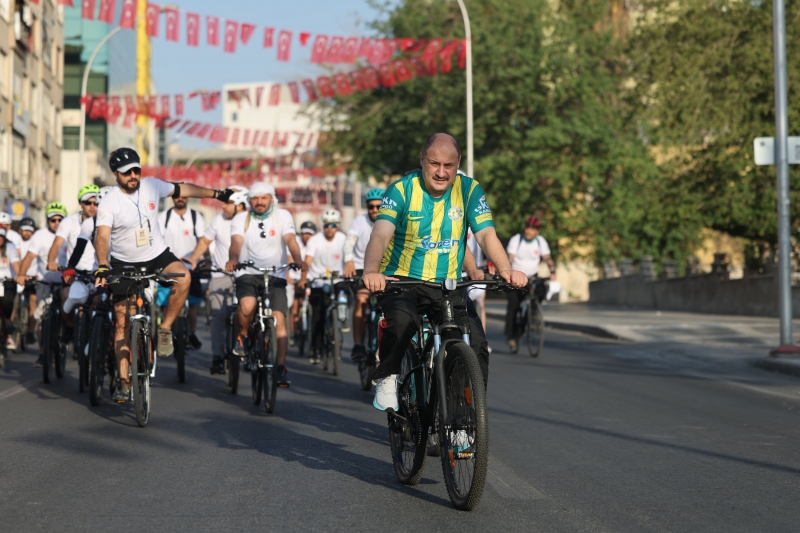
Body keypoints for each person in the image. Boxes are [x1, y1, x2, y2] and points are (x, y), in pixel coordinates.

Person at [361, 133, 527, 411]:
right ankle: (388, 375)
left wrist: (507, 270)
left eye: (448, 165)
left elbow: (486, 234)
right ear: (422, 160)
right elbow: (380, 234)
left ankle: (465, 419)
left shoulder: (469, 190)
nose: (441, 172)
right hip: (402, 280)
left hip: (447, 284)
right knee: (402, 322)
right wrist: (371, 271)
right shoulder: (401, 190)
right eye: (434, 163)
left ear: (458, 162)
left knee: (476, 346)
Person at [94, 147, 234, 403]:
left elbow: (184, 189)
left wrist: (217, 194)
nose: (133, 176)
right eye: (127, 173)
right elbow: (101, 236)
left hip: (157, 255)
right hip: (123, 263)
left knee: (184, 276)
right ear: (116, 175)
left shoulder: (151, 186)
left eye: (136, 170)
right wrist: (103, 264)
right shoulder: (108, 202)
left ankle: (166, 328)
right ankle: (124, 381)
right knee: (122, 324)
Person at [225, 182, 306, 386]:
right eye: (255, 198)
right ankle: (242, 337)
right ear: (250, 200)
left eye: (264, 197)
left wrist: (297, 258)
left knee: (279, 318)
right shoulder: (241, 218)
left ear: (271, 198)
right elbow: (236, 242)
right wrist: (233, 258)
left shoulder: (283, 216)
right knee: (248, 305)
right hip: (248, 272)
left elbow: (290, 239)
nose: (259, 202)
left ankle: (280, 367)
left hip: (275, 273)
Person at [185, 186, 248, 375]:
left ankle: (251, 349)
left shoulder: (251, 221)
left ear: (240, 205)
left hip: (246, 276)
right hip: (220, 275)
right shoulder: (218, 221)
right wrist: (193, 260)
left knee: (249, 313)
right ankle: (218, 357)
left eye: (228, 203)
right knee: (219, 317)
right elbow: (204, 242)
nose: (223, 207)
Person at [15, 202, 68, 368]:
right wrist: (21, 274)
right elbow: (29, 257)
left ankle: (66, 338)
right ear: (47, 220)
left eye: (60, 220)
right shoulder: (40, 236)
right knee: (42, 318)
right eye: (53, 220)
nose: (57, 223)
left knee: (67, 313)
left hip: (65, 282)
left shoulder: (70, 234)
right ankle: (42, 353)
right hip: (45, 282)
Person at [46, 184, 100, 343]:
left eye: (96, 203)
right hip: (75, 272)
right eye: (88, 202)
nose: (92, 206)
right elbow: (57, 244)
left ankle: (97, 336)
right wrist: (51, 261)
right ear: (81, 204)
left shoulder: (104, 221)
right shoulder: (69, 222)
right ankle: (69, 327)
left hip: (97, 272)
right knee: (65, 295)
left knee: (98, 304)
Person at [158, 194, 207, 350]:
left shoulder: (195, 217)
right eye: (177, 196)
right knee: (167, 302)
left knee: (192, 304)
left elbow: (203, 240)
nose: (180, 199)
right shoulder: (164, 216)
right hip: (168, 265)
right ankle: (165, 335)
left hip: (191, 266)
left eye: (184, 196)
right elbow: (157, 238)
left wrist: (202, 259)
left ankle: (192, 333)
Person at [343, 187, 384, 363]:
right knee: (361, 300)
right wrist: (349, 259)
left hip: (384, 269)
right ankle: (358, 344)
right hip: (361, 268)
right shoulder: (359, 221)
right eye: (371, 207)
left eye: (378, 206)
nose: (374, 210)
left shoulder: (391, 219)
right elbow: (348, 243)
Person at [504, 215, 556, 352]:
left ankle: (532, 314)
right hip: (516, 278)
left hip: (532, 277)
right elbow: (509, 258)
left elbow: (547, 258)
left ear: (537, 231)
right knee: (513, 306)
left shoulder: (540, 242)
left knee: (541, 290)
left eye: (532, 229)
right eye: (527, 228)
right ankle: (511, 336)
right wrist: (507, 273)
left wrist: (553, 271)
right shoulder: (516, 240)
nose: (529, 231)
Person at [304, 209, 347, 365]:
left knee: (344, 294)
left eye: (333, 225)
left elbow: (349, 257)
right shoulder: (314, 240)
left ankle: (342, 319)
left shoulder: (343, 239)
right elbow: (308, 260)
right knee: (318, 317)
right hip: (318, 281)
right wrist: (304, 278)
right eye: (327, 225)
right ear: (323, 226)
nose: (330, 228)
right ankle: (316, 349)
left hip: (337, 280)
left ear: (338, 226)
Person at [289, 221, 316, 346]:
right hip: (295, 278)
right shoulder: (296, 242)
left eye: (310, 234)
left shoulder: (315, 243)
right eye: (305, 233)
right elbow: (290, 259)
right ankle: (293, 334)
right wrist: (290, 276)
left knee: (311, 305)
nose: (307, 236)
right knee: (295, 307)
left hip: (310, 279)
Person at [16, 217, 39, 345]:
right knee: (14, 299)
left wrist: (38, 275)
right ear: (20, 231)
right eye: (24, 230)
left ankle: (30, 331)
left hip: (32, 276)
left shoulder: (36, 241)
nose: (27, 233)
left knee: (33, 301)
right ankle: (12, 325)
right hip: (18, 276)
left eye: (29, 230)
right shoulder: (16, 242)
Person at [0, 229, 21, 351]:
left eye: (1, 236)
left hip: (7, 282)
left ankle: (8, 326)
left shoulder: (10, 246)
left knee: (7, 302)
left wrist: (19, 275)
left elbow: (15, 264)